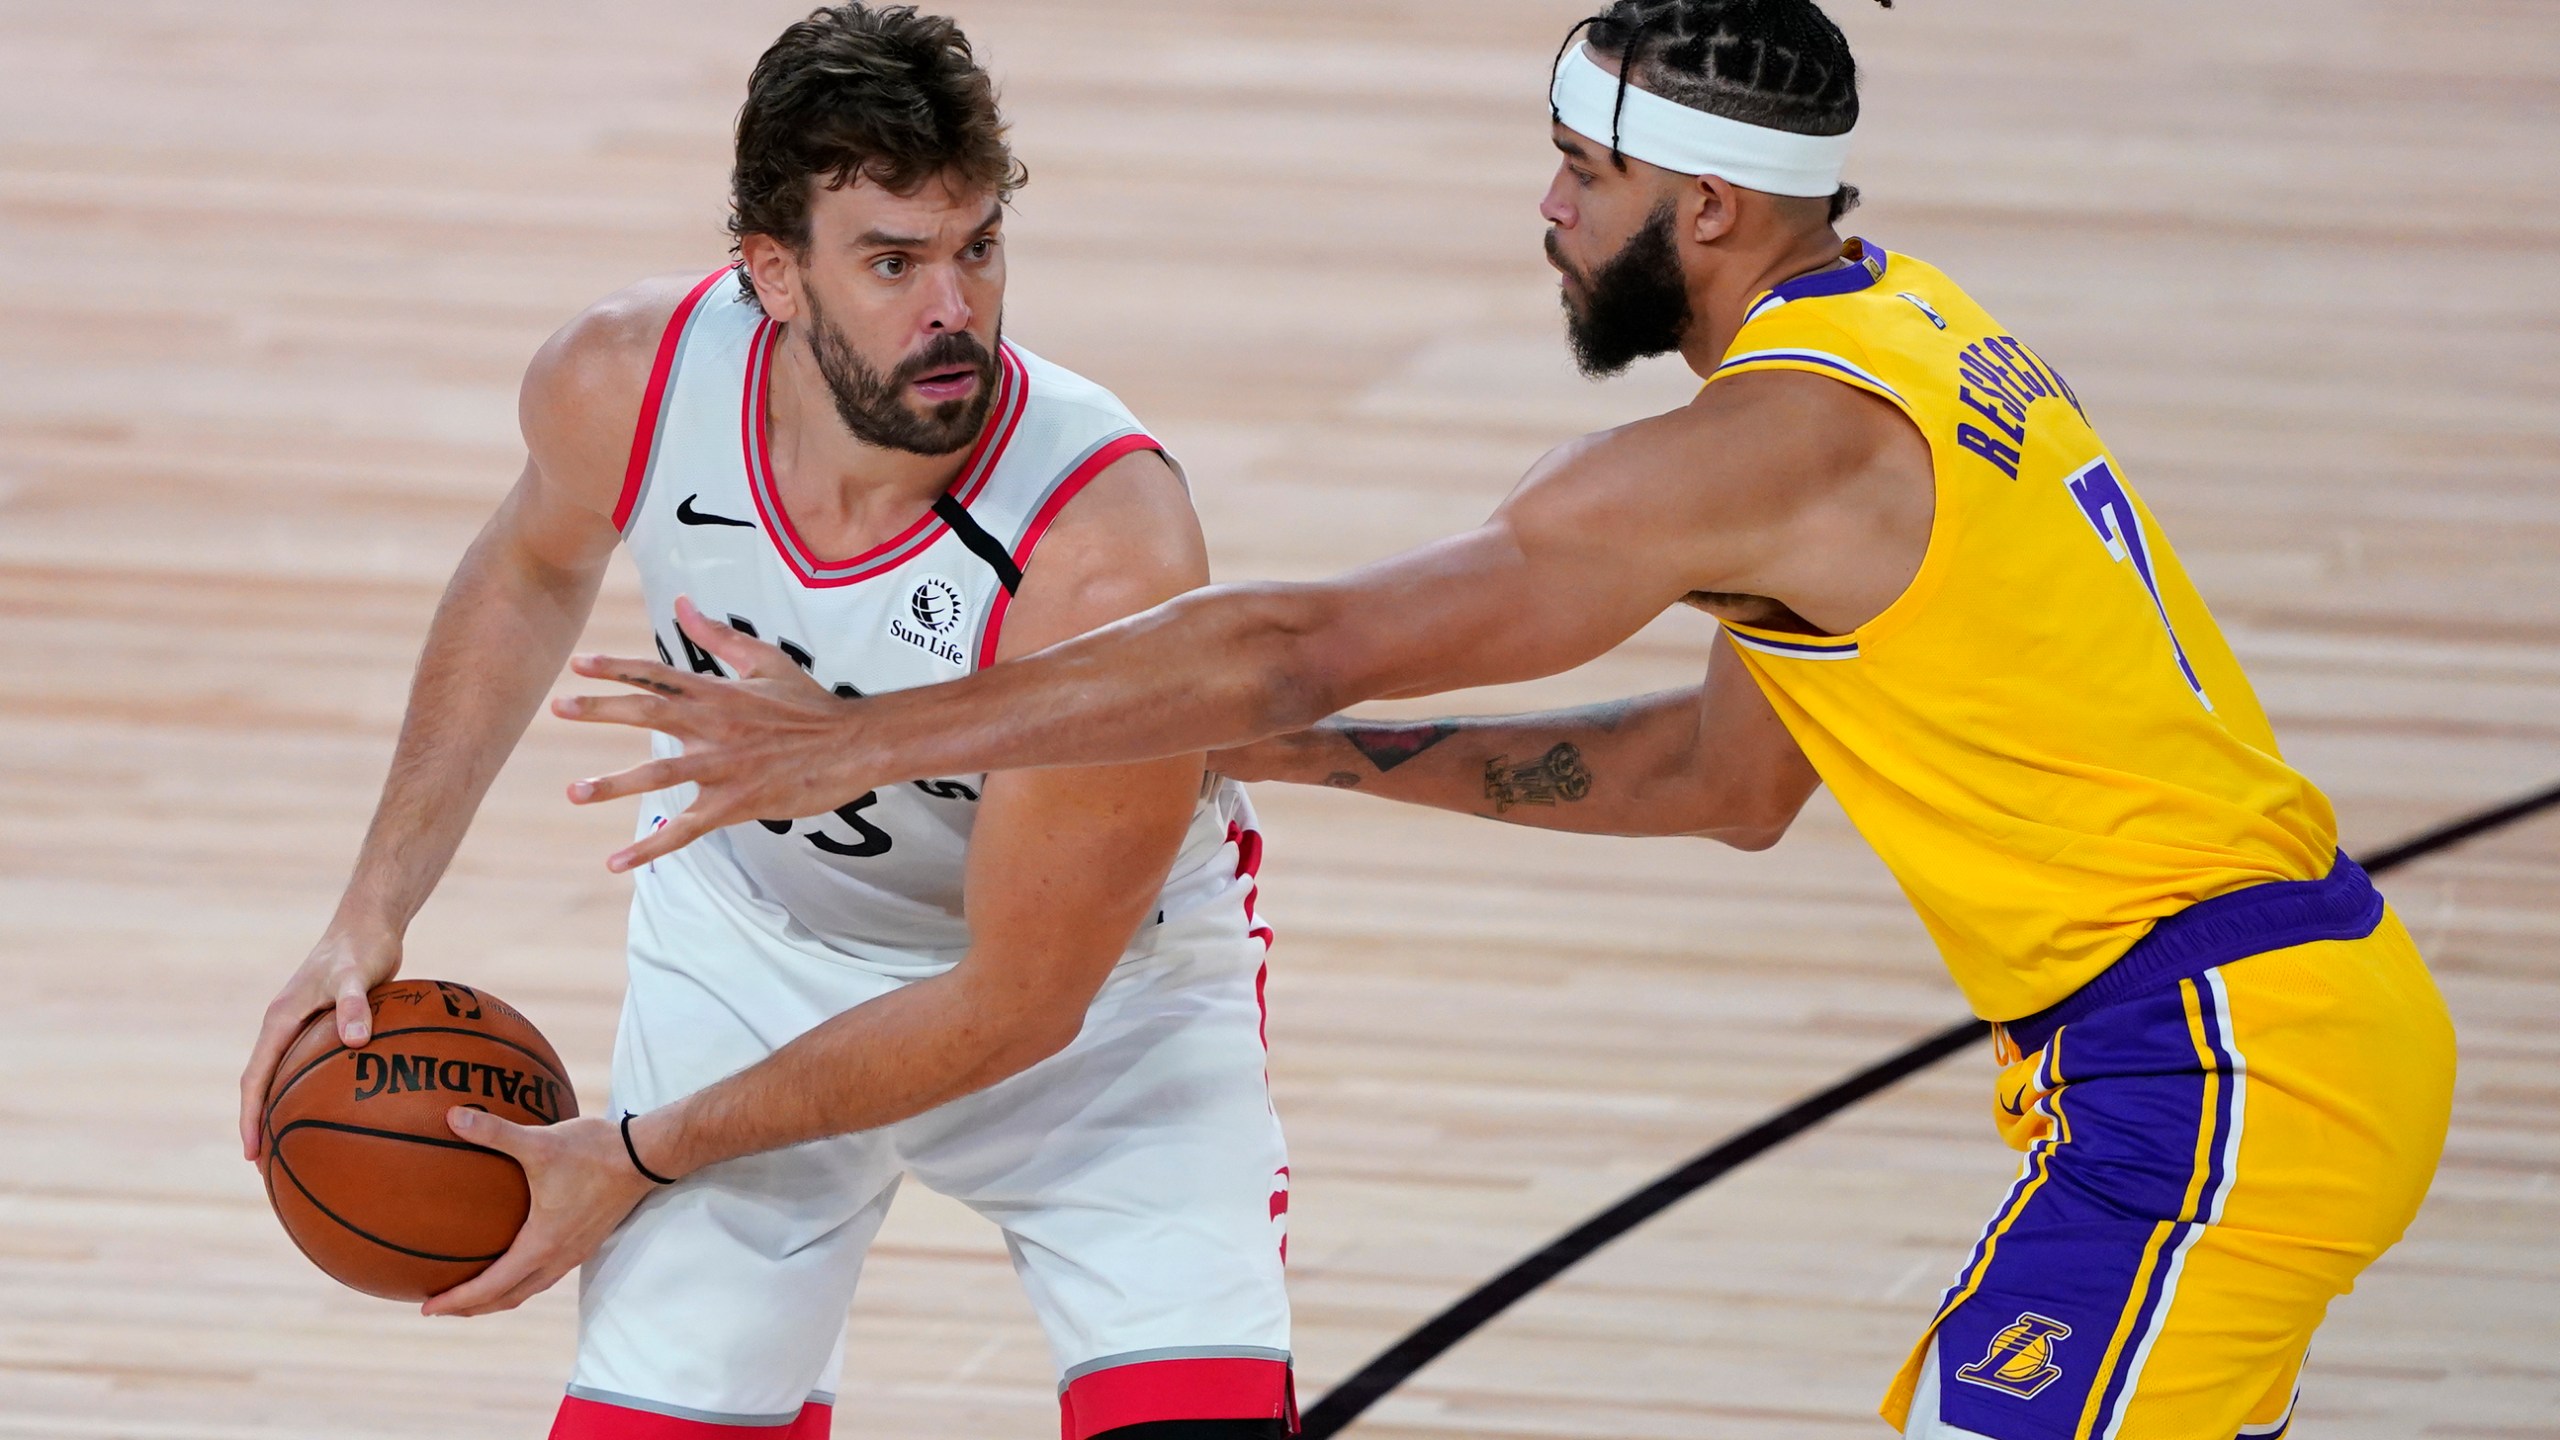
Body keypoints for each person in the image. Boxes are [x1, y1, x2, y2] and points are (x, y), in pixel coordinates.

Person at [552, 1, 2461, 1436]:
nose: (1549, 209)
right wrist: (1311, 766)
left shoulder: (1747, 449)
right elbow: (1716, 782)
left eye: (1585, 173)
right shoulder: (1904, 342)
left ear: (1699, 204)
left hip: (2206, 1063)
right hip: (2256, 1043)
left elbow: (1296, 639)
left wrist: (858, 738)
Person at [235, 7, 1299, 1438]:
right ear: (772, 272)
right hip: (753, 947)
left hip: (1089, 1006)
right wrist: (369, 910)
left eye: (977, 246)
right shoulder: (630, 378)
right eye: (892, 261)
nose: (954, 310)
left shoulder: (1105, 543)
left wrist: (647, 1151)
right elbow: (531, 565)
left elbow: (1015, 1004)